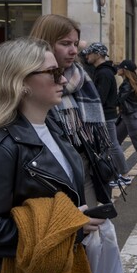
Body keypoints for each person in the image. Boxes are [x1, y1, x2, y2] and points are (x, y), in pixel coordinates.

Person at [0, 38, 104, 273]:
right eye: (52, 72)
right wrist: (65, 227)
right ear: (20, 81)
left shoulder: (53, 126)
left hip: (52, 270)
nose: (62, 78)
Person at [30, 14, 113, 208]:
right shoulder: (32, 83)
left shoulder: (80, 76)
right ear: (46, 42)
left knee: (92, 229)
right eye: (65, 43)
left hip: (84, 167)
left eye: (75, 44)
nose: (73, 50)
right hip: (50, 175)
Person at [84, 42, 132, 187]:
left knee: (112, 145)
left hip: (106, 114)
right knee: (106, 145)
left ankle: (124, 174)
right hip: (107, 113)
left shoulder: (103, 73)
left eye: (90, 53)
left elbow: (100, 96)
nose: (87, 56)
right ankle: (108, 173)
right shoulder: (103, 71)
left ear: (98, 54)